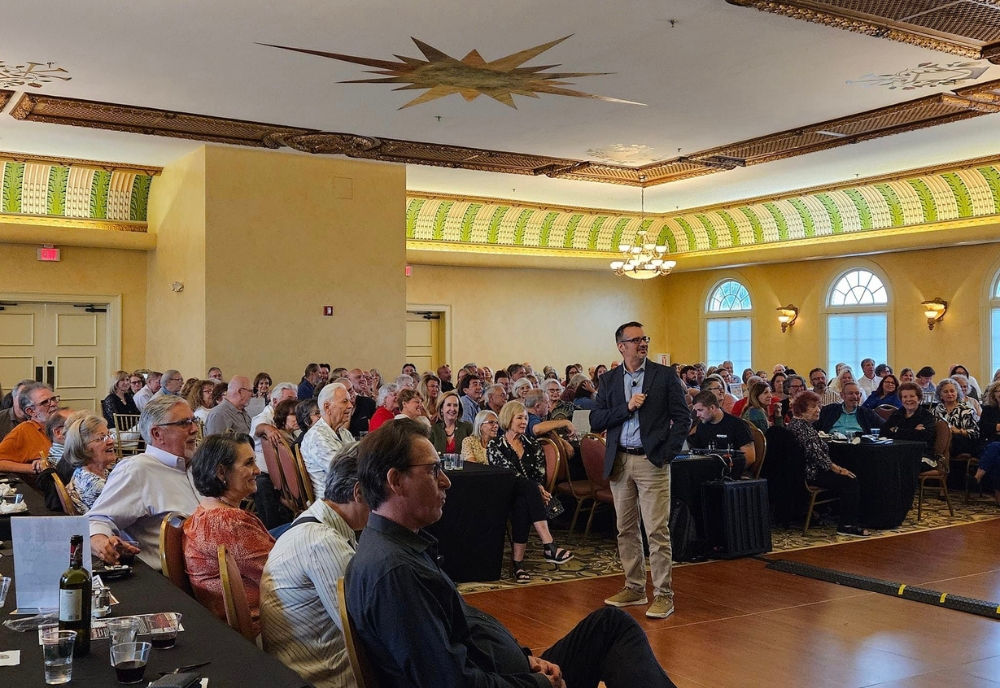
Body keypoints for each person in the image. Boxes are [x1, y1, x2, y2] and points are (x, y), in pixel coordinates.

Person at [346, 418, 676, 688]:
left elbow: (467, 632)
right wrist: (537, 685)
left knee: (609, 625)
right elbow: (451, 683)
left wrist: (523, 658)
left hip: (507, 672)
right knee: (611, 628)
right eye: (433, 470)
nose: (446, 481)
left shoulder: (396, 548)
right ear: (396, 481)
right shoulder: (395, 572)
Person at [590, 321, 691, 619]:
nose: (642, 344)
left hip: (651, 461)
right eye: (635, 340)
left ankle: (663, 594)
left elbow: (683, 418)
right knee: (625, 528)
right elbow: (596, 420)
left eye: (644, 338)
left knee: (657, 530)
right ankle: (634, 586)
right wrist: (627, 407)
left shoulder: (664, 376)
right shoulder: (609, 380)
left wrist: (665, 453)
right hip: (620, 460)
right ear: (621, 346)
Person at [260, 444, 369, 688]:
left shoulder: (320, 520)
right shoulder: (323, 543)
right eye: (384, 490)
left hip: (306, 663)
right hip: (319, 678)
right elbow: (363, 633)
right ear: (359, 493)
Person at [88, 395, 203, 569]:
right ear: (157, 434)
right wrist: (100, 541)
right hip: (176, 585)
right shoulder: (138, 470)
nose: (194, 429)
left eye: (194, 420)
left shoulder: (195, 466)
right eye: (184, 423)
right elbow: (96, 520)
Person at [184, 434, 274, 637]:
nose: (258, 471)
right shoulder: (228, 523)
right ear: (221, 472)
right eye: (249, 463)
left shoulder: (204, 512)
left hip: (228, 626)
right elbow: (284, 576)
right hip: (261, 630)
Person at [487, 401, 573, 581]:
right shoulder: (495, 445)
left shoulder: (533, 444)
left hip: (527, 497)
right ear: (508, 419)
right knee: (528, 489)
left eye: (526, 418)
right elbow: (509, 474)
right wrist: (536, 488)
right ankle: (549, 545)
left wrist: (538, 487)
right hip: (504, 495)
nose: (524, 421)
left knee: (523, 503)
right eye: (519, 417)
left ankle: (518, 564)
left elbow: (539, 474)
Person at [787, 391, 870, 537]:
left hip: (804, 471)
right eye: (813, 406)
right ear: (801, 409)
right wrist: (837, 469)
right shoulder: (802, 427)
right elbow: (815, 454)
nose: (818, 410)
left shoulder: (798, 425)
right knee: (850, 480)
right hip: (810, 473)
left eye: (818, 406)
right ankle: (847, 525)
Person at [249, 382, 298, 529]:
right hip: (263, 471)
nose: (293, 402)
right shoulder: (265, 415)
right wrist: (268, 428)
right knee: (263, 486)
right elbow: (259, 428)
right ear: (275, 401)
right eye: (289, 398)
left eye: (295, 398)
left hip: (286, 471)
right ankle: (272, 531)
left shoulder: (293, 417)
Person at [300, 382, 356, 498]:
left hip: (350, 492)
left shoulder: (343, 432)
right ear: (327, 407)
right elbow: (343, 471)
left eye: (350, 401)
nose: (350, 405)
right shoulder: (317, 437)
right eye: (344, 401)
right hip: (333, 500)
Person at [690, 391, 755, 475]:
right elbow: (696, 454)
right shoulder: (701, 426)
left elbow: (750, 457)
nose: (698, 415)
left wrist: (729, 470)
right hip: (707, 472)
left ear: (712, 408)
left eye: (700, 410)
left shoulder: (738, 425)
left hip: (732, 473)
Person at [64, 412, 118, 513]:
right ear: (84, 448)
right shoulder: (94, 484)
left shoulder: (85, 471)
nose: (111, 441)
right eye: (101, 438)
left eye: (109, 435)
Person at [0, 382, 57, 475]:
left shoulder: (63, 422)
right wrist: (33, 468)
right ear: (31, 411)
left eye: (54, 399)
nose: (53, 404)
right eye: (45, 402)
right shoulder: (25, 430)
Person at [882, 382, 939, 470]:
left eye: (912, 396)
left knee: (901, 466)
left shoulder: (926, 416)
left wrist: (896, 430)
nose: (908, 399)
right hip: (898, 453)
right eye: (905, 397)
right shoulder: (896, 414)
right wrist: (913, 431)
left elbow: (923, 436)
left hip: (922, 455)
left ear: (919, 398)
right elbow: (884, 432)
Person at [934, 377, 979, 458]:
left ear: (957, 393)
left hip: (962, 442)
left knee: (952, 437)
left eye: (952, 391)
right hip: (940, 441)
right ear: (940, 395)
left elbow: (976, 433)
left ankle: (941, 459)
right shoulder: (936, 410)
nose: (949, 394)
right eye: (945, 392)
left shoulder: (967, 410)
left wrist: (958, 431)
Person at [815, 382, 882, 435]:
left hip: (860, 448)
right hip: (833, 447)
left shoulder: (867, 413)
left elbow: (884, 427)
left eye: (857, 393)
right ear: (842, 395)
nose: (855, 397)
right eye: (851, 393)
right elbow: (814, 426)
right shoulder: (829, 410)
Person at [346, 369, 376, 436]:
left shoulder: (369, 401)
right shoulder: (344, 402)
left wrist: (369, 393)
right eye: (358, 377)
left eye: (364, 377)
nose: (363, 379)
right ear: (349, 381)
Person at [979, 381, 1000, 448]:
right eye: (997, 391)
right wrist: (996, 427)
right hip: (990, 441)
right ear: (993, 394)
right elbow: (982, 427)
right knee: (994, 446)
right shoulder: (987, 409)